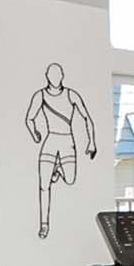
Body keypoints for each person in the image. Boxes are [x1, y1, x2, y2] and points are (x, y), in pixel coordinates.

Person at [25, 62, 97, 238]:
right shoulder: (40, 95)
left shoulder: (71, 95)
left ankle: (58, 170)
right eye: (52, 75)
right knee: (43, 185)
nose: (55, 79)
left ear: (62, 76)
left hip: (67, 140)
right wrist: (35, 134)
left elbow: (87, 117)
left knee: (71, 179)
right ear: (47, 76)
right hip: (50, 139)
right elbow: (29, 118)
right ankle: (44, 225)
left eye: (58, 75)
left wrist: (92, 142)